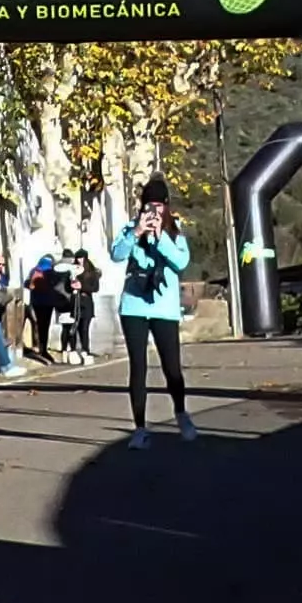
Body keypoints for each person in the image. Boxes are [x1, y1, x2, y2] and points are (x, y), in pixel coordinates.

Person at [102, 177, 194, 446]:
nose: (154, 211)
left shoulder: (175, 233)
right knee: (138, 367)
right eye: (148, 206)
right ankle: (140, 428)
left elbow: (181, 262)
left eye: (158, 206)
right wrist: (137, 232)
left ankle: (181, 412)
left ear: (166, 206)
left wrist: (159, 236)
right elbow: (117, 254)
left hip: (164, 308)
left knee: (172, 367)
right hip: (134, 306)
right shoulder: (131, 228)